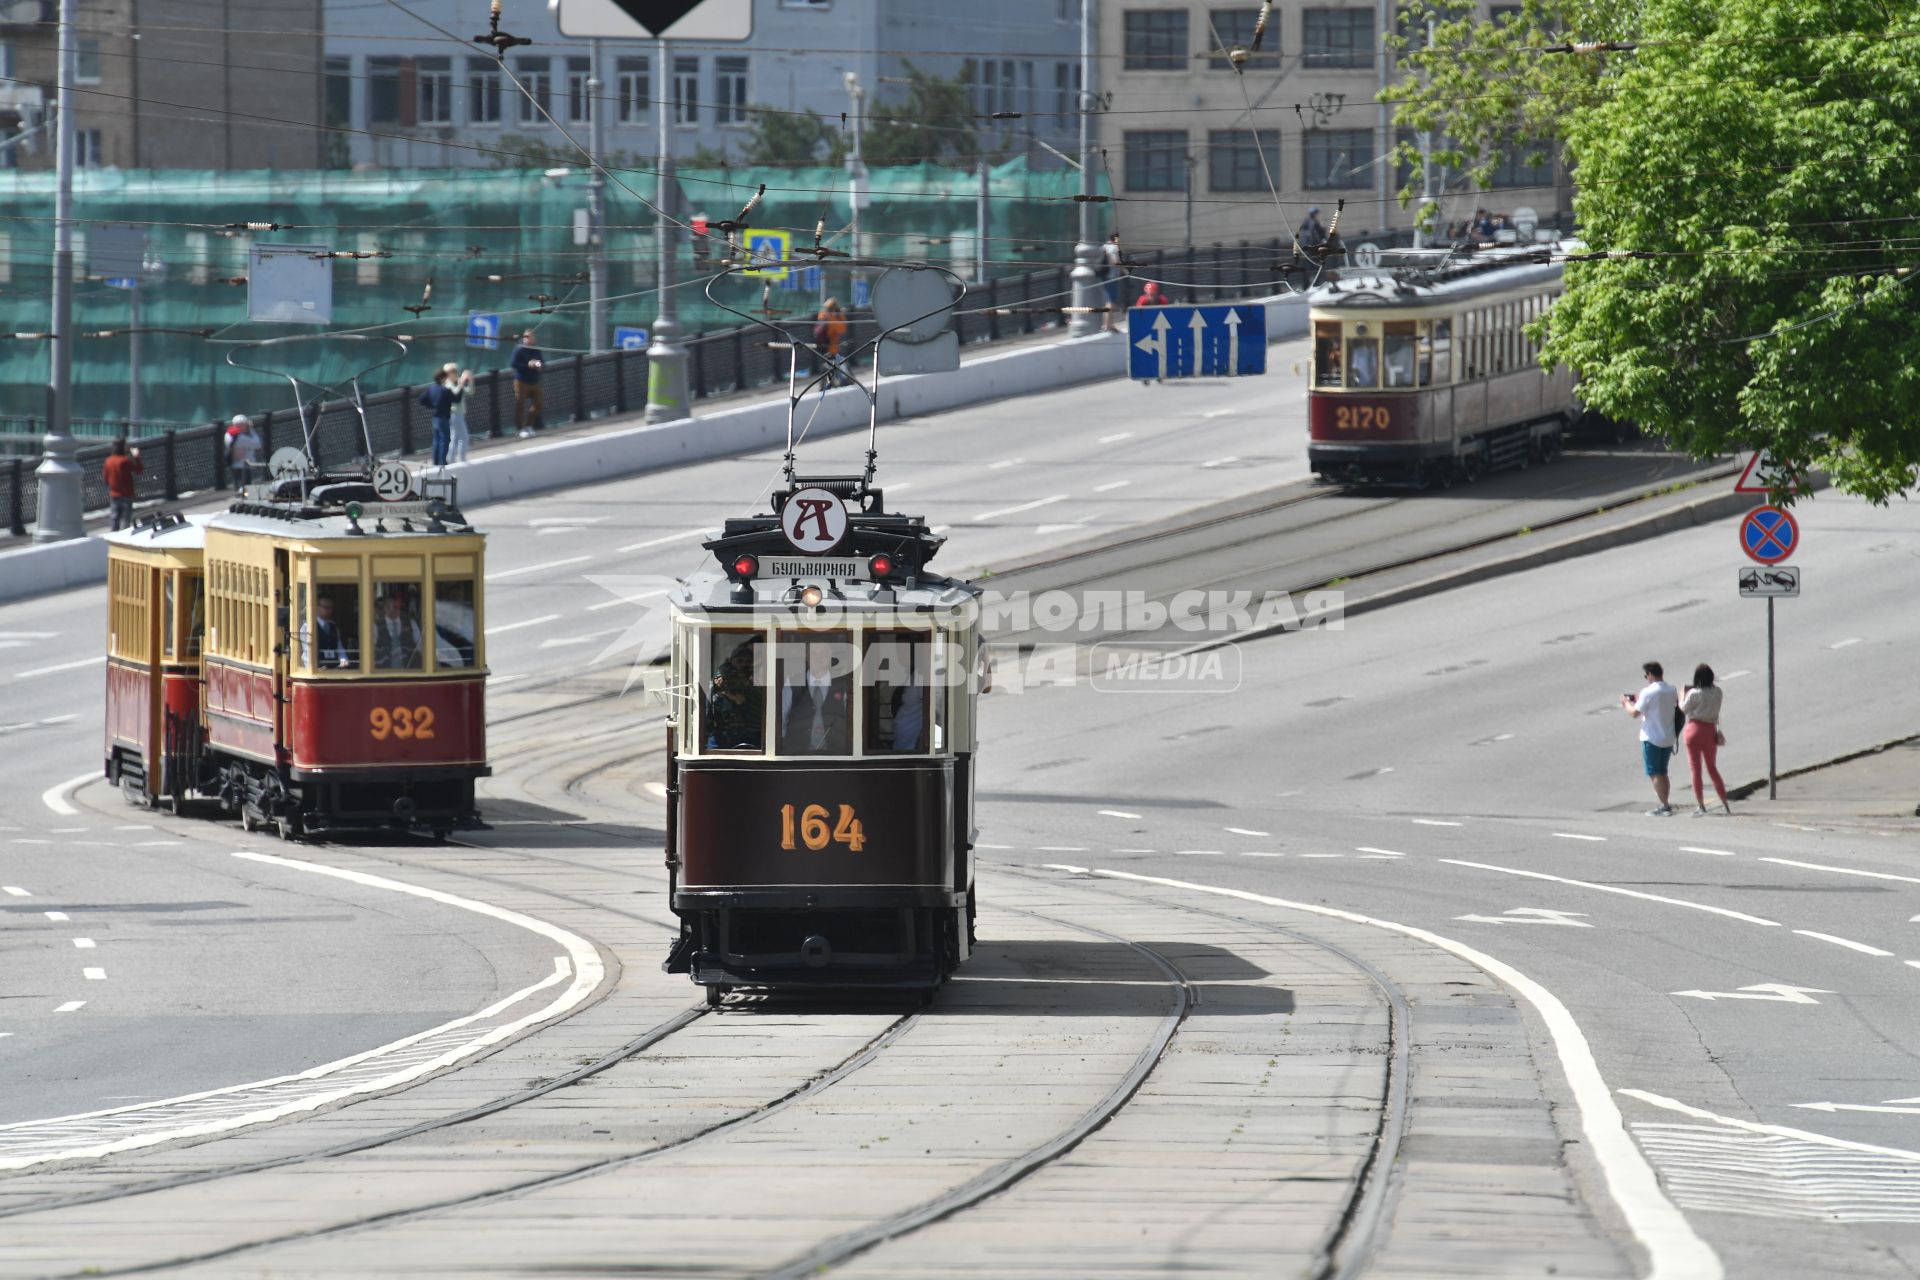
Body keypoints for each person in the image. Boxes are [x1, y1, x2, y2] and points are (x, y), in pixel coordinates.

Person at [1621, 661, 1680, 815]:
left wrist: (1626, 702)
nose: (1646, 678)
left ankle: (1664, 805)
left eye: (1646, 675)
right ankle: (1665, 803)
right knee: (1663, 772)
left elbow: (1634, 713)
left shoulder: (1648, 692)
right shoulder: (1671, 690)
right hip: (1668, 736)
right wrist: (1637, 699)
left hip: (1652, 737)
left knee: (1654, 773)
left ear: (1650, 674)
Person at [779, 644, 852, 755]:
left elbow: (851, 721)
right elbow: (781, 718)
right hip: (797, 755)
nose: (819, 657)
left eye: (823, 652)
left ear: (830, 655)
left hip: (836, 756)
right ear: (807, 657)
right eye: (814, 653)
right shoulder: (793, 682)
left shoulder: (843, 684)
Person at [1680, 664, 1731, 815]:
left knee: (1696, 769)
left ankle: (1701, 805)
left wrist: (1683, 693)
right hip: (1710, 731)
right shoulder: (1718, 692)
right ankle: (1724, 802)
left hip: (1694, 730)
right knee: (1712, 767)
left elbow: (1682, 709)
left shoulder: (1694, 693)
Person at [706, 640, 764, 750]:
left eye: (748, 661)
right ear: (731, 662)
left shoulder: (757, 684)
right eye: (739, 661)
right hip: (721, 737)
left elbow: (760, 712)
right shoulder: (717, 684)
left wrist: (743, 701)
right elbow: (708, 711)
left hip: (752, 737)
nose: (744, 664)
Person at [373, 589, 424, 670]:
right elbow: (370, 653)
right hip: (383, 675)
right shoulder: (375, 627)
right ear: (384, 608)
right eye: (388, 606)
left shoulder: (411, 624)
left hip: (410, 673)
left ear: (400, 607)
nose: (392, 610)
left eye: (395, 606)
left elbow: (421, 648)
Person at [103, 437, 143, 531]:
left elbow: (105, 478)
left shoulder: (108, 461)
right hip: (126, 493)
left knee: (115, 518)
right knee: (125, 519)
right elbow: (139, 470)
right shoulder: (125, 460)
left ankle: (113, 539)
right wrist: (136, 456)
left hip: (114, 493)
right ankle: (123, 538)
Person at [418, 368, 455, 468]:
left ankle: (435, 462)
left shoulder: (431, 388)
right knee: (445, 440)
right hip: (443, 418)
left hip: (435, 418)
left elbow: (421, 399)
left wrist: (431, 405)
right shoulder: (445, 390)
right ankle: (442, 462)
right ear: (442, 378)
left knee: (436, 440)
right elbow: (456, 398)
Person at [509, 331, 544, 437]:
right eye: (527, 337)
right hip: (521, 381)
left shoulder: (536, 350)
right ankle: (520, 428)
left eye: (531, 337)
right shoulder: (519, 350)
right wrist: (528, 365)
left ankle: (529, 425)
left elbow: (541, 362)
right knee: (520, 404)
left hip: (534, 381)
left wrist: (537, 364)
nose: (529, 339)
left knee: (538, 403)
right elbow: (514, 364)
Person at [311, 593, 353, 669]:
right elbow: (307, 651)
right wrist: (313, 669)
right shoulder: (309, 626)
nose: (329, 610)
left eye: (331, 608)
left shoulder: (333, 626)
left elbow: (339, 648)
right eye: (326, 607)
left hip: (333, 669)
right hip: (318, 670)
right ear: (317, 607)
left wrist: (344, 660)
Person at [813, 298, 849, 386]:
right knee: (838, 365)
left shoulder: (822, 316)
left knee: (829, 367)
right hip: (830, 348)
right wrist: (839, 315)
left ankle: (826, 385)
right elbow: (842, 328)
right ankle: (840, 383)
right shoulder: (831, 319)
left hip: (822, 347)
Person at [443, 362, 473, 464]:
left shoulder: (456, 383)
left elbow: (469, 392)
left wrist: (470, 381)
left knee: (455, 438)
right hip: (454, 415)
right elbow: (456, 396)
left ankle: (450, 459)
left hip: (459, 414)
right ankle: (462, 459)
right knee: (464, 437)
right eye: (452, 372)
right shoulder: (448, 385)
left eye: (455, 371)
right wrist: (461, 383)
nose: (455, 373)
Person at [227, 415, 260, 489]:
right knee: (246, 488)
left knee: (238, 487)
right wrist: (251, 429)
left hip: (235, 465)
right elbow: (257, 444)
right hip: (244, 466)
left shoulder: (228, 436)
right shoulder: (241, 438)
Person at [1099, 231, 1124, 331]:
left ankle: (1106, 324)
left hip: (1104, 276)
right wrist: (1125, 269)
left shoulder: (1104, 246)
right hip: (1112, 277)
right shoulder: (1113, 247)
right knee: (1111, 302)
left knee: (1107, 301)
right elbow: (1115, 262)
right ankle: (1108, 325)